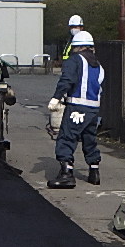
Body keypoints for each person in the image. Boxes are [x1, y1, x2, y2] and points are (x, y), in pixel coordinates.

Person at [46, 30, 104, 188]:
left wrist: (56, 98)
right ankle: (94, 172)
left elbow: (67, 79)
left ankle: (66, 174)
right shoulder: (97, 65)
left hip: (77, 107)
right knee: (89, 139)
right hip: (93, 109)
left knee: (66, 137)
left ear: (76, 47)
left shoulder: (75, 60)